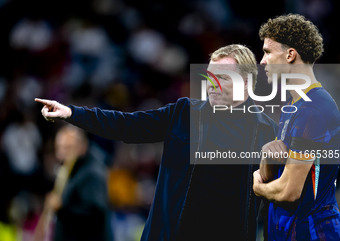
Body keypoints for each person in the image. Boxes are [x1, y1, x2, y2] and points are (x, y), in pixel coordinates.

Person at [36, 44, 278, 241]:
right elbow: (127, 126)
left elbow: (282, 194)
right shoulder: (184, 112)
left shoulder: (267, 130)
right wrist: (72, 113)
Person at [253, 14, 340, 240]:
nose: (262, 61)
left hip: (310, 232)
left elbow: (289, 191)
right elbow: (274, 176)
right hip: (286, 230)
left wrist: (257, 187)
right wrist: (265, 157)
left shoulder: (314, 109)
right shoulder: (293, 105)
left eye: (268, 52)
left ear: (290, 54)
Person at [44, 125, 113, 241]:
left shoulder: (92, 173)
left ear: (82, 147)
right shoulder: (71, 168)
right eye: (59, 148)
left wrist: (62, 209)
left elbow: (95, 216)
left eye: (67, 148)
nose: (61, 154)